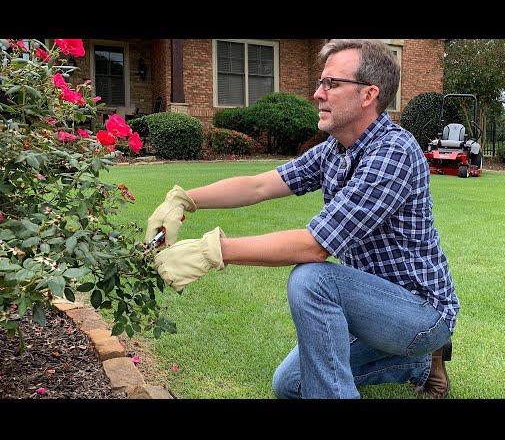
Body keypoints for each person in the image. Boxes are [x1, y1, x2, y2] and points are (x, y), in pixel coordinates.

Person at [146, 39, 459, 399]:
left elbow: (314, 246)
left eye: (332, 84)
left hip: (420, 312)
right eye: (320, 83)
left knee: (312, 279)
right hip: (368, 304)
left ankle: (426, 346)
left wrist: (212, 251)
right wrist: (184, 200)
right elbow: (260, 185)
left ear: (368, 94)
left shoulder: (394, 152)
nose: (317, 94)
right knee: (290, 384)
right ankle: (420, 364)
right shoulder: (334, 151)